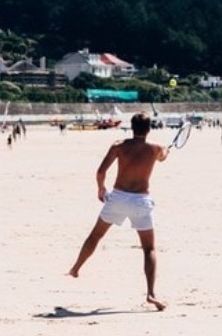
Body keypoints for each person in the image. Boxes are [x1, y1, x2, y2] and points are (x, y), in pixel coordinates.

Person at [68, 112, 170, 311]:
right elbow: (163, 157)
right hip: (141, 200)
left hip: (118, 198)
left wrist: (101, 188)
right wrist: (166, 151)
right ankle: (151, 294)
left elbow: (100, 172)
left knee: (96, 236)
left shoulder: (118, 146)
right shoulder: (155, 148)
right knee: (149, 249)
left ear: (132, 128)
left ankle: (76, 268)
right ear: (149, 129)